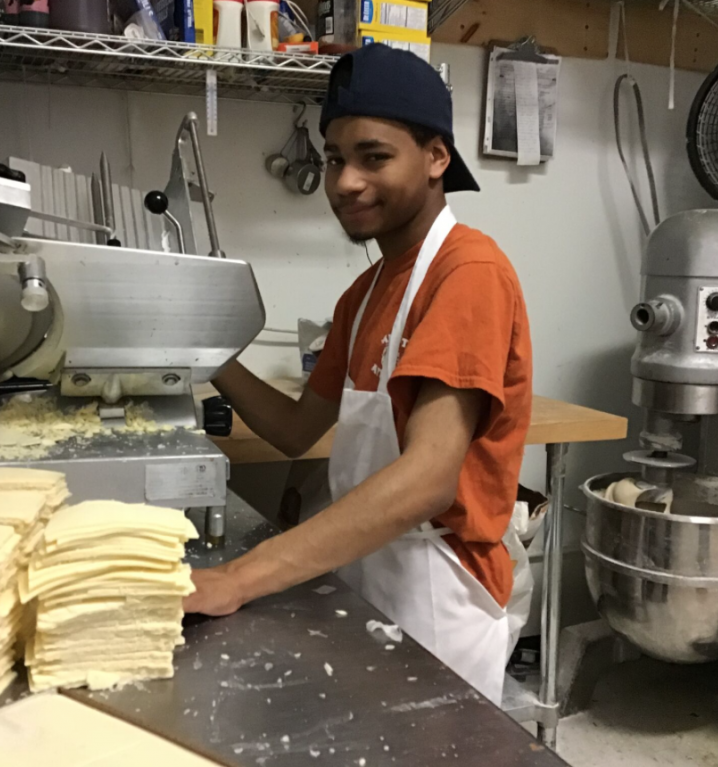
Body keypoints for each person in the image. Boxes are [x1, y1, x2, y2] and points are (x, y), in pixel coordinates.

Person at [183, 44, 533, 706]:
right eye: (337, 158)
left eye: (374, 157)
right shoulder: (368, 292)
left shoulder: (469, 274)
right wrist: (207, 356)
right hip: (370, 576)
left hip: (441, 597)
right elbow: (294, 429)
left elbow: (428, 479)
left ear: (437, 158)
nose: (344, 181)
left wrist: (238, 576)